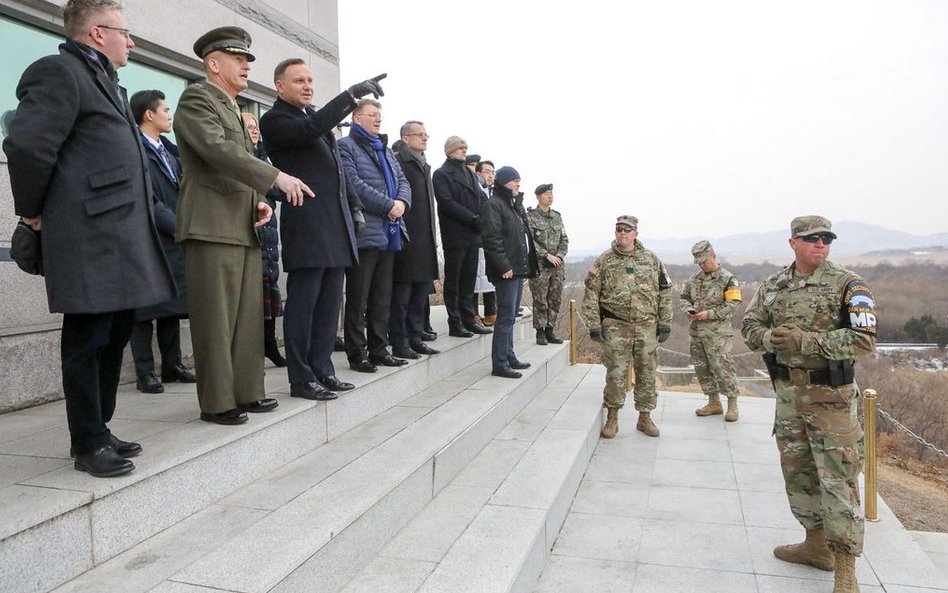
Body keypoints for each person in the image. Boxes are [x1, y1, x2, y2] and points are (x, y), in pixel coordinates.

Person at [3, 0, 176, 477]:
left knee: (116, 331)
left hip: (118, 232)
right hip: (87, 233)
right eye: (126, 32)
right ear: (98, 33)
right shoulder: (58, 71)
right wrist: (32, 212)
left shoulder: (110, 84)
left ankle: (100, 427)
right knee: (89, 336)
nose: (133, 41)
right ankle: (86, 443)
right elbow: (26, 143)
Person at [174, 26, 313, 425]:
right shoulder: (198, 98)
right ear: (213, 64)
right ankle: (218, 402)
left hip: (240, 221)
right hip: (210, 222)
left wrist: (259, 201)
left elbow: (237, 164)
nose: (246, 65)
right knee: (215, 318)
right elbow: (217, 152)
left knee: (247, 317)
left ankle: (248, 390)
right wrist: (274, 178)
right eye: (238, 59)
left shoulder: (237, 107)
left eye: (248, 59)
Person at [741, 216, 877, 593]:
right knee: (798, 476)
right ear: (793, 243)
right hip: (788, 400)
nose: (821, 244)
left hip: (831, 403)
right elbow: (750, 328)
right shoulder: (773, 286)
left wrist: (807, 342)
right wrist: (771, 337)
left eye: (826, 238)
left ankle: (845, 570)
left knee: (838, 483)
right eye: (812, 238)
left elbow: (864, 339)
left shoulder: (848, 284)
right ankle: (815, 546)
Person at [259, 60, 384, 399]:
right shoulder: (276, 120)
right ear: (279, 86)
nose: (307, 85)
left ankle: (322, 369)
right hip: (308, 225)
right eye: (298, 80)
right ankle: (300, 377)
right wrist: (351, 96)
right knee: (304, 304)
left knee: (330, 304)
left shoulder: (310, 118)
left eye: (311, 80)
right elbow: (311, 128)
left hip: (335, 226)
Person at [128, 90, 196, 394]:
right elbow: (146, 198)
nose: (169, 115)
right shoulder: (135, 148)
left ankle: (173, 365)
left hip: (172, 237)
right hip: (149, 236)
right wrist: (179, 224)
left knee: (171, 302)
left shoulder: (167, 151)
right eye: (165, 110)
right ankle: (146, 372)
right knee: (143, 309)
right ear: (149, 114)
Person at [338, 99, 411, 372]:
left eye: (379, 115)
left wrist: (401, 203)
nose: (378, 119)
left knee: (382, 296)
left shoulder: (386, 150)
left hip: (389, 231)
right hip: (364, 232)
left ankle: (380, 349)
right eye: (371, 115)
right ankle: (357, 353)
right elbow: (353, 183)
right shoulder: (346, 147)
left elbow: (402, 181)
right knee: (359, 297)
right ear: (357, 119)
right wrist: (388, 205)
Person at [582, 215, 672, 439]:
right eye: (619, 229)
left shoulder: (651, 259)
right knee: (615, 373)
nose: (623, 233)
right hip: (616, 325)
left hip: (646, 325)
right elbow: (591, 294)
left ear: (636, 234)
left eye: (627, 230)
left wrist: (666, 321)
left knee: (647, 372)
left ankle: (645, 417)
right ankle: (612, 418)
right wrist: (594, 325)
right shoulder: (604, 261)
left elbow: (665, 291)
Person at [481, 166, 538, 379]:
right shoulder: (493, 205)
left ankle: (509, 355)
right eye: (514, 181)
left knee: (510, 316)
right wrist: (504, 266)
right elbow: (492, 239)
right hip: (506, 271)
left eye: (519, 182)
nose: (517, 185)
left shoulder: (512, 205)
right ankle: (500, 363)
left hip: (517, 269)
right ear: (503, 182)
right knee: (505, 317)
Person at [433, 136, 492, 338]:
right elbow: (447, 203)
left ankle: (469, 319)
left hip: (473, 234)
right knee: (454, 281)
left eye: (465, 147)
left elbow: (481, 197)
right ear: (449, 150)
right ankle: (455, 322)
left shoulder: (468, 172)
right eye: (460, 147)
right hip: (456, 233)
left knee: (468, 281)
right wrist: (473, 218)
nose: (464, 150)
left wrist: (484, 217)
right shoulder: (441, 174)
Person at [392, 120, 441, 359]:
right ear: (405, 138)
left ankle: (415, 336)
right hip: (407, 238)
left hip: (425, 238)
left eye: (426, 134)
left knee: (419, 294)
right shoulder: (400, 162)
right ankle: (400, 341)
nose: (424, 138)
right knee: (402, 296)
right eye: (418, 135)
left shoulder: (423, 164)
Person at [242, 111, 287, 370]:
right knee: (253, 303)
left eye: (256, 126)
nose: (255, 130)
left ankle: (270, 345)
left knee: (269, 297)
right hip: (252, 233)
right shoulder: (246, 161)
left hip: (269, 237)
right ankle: (254, 353)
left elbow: (279, 191)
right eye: (249, 127)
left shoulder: (264, 158)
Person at [680, 240, 742, 421]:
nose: (702, 265)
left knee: (723, 368)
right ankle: (714, 402)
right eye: (699, 262)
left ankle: (732, 405)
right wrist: (688, 309)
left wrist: (710, 314)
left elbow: (733, 304)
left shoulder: (728, 279)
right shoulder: (695, 280)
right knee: (702, 369)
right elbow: (684, 297)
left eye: (704, 261)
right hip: (697, 334)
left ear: (714, 256)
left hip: (718, 336)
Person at [526, 183, 569, 346]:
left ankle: (550, 330)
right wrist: (546, 255)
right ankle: (540, 331)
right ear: (538, 197)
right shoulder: (530, 216)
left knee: (555, 298)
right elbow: (529, 241)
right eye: (546, 194)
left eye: (551, 193)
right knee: (540, 299)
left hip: (557, 266)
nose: (550, 196)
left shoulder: (557, 217)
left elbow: (564, 239)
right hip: (540, 266)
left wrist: (559, 255)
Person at [474, 160, 497, 326]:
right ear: (478, 174)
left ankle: (491, 313)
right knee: (475, 279)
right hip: (477, 240)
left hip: (492, 242)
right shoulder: (475, 191)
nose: (491, 175)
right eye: (487, 172)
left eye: (493, 172)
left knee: (490, 279)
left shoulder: (495, 193)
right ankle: (473, 313)